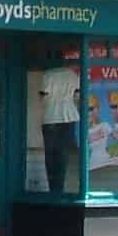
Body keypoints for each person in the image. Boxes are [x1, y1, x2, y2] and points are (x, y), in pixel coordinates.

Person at [39, 60, 81, 194]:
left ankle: (53, 189)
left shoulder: (48, 75)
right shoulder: (73, 75)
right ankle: (60, 188)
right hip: (69, 115)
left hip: (50, 116)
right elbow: (77, 96)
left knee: (50, 156)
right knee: (63, 154)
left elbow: (43, 97)